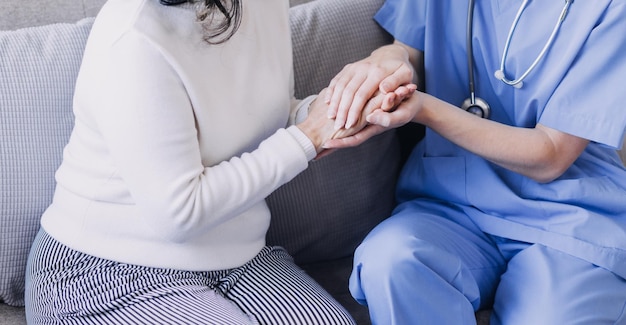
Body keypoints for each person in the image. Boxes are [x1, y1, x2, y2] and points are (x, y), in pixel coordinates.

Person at [23, 0, 415, 324]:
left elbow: (263, 113)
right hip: (106, 271)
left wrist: (334, 114)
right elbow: (179, 212)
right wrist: (307, 138)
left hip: (240, 259)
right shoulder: (134, 36)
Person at [323, 0, 626, 324]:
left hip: (567, 214)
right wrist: (386, 63)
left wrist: (425, 109)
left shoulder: (611, 8)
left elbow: (550, 156)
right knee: (391, 261)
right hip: (452, 204)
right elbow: (407, 48)